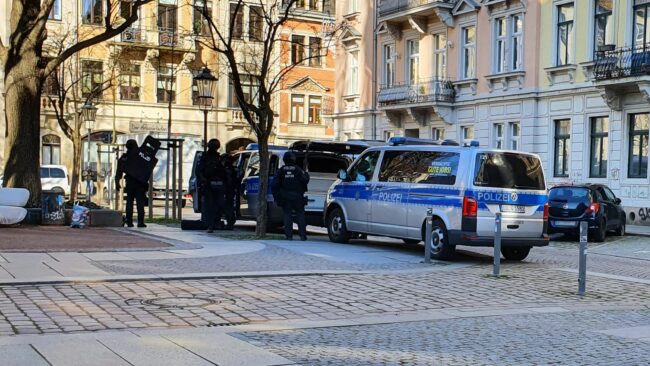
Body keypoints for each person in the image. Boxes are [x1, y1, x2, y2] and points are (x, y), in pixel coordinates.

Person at [272, 151, 310, 241]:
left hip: (285, 197)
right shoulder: (298, 170)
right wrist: (307, 173)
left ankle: (289, 236)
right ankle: (302, 236)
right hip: (298, 197)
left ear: (285, 159)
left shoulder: (281, 171)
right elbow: (305, 180)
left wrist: (276, 196)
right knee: (300, 215)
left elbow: (274, 185)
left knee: (287, 215)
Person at [115, 139, 148, 228]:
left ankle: (129, 222)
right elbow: (148, 167)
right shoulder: (141, 156)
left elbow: (119, 171)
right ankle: (140, 222)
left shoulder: (124, 157)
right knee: (140, 203)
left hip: (130, 183)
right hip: (140, 183)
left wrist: (117, 182)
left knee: (129, 202)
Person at [197, 139, 227, 233]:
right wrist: (204, 181)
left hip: (218, 184)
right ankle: (210, 225)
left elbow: (222, 171)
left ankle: (215, 223)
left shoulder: (218, 157)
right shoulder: (205, 156)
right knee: (210, 205)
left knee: (218, 205)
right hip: (208, 184)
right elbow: (199, 171)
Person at [221, 153, 237, 230]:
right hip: (230, 190)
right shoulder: (232, 169)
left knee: (228, 207)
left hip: (227, 190)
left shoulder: (227, 169)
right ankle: (230, 222)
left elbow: (229, 181)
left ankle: (230, 223)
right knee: (229, 207)